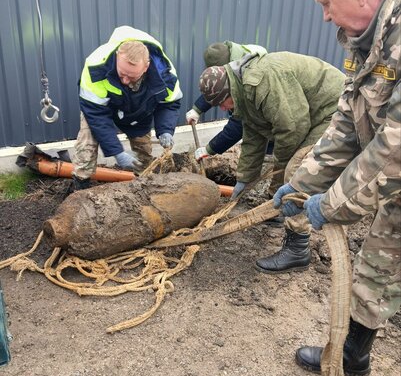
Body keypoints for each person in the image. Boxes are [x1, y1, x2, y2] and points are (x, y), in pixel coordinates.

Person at [272, 0, 400, 376]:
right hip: (394, 185)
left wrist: (338, 203)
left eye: (327, 3)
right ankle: (354, 356)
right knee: (377, 265)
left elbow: (395, 142)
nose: (324, 15)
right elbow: (348, 121)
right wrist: (302, 186)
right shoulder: (365, 38)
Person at [198, 51, 345, 272]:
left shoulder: (260, 82)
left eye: (222, 102)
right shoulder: (243, 92)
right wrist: (244, 180)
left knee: (298, 172)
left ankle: (298, 248)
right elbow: (253, 137)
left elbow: (292, 128)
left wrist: (284, 171)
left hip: (333, 109)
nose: (222, 108)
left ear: (229, 90)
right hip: (310, 115)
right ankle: (278, 211)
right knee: (287, 169)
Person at [72, 26, 183, 190]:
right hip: (103, 109)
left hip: (139, 110)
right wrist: (116, 151)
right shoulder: (95, 68)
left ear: (146, 67)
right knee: (86, 142)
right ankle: (80, 186)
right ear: (117, 57)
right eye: (121, 73)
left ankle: (143, 187)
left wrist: (165, 130)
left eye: (131, 76)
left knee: (143, 153)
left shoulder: (166, 75)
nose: (124, 80)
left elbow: (169, 104)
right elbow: (96, 114)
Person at [186, 41, 268, 161]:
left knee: (264, 143)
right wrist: (198, 109)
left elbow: (238, 126)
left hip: (277, 119)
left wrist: (210, 149)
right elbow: (217, 90)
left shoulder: (248, 78)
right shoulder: (227, 56)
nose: (222, 108)